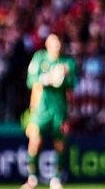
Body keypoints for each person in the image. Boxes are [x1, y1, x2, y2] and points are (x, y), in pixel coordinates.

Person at [22, 34, 77, 189]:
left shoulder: (68, 62)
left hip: (59, 110)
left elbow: (72, 83)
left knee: (59, 143)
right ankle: (32, 178)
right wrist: (46, 78)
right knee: (35, 141)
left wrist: (62, 77)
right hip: (41, 109)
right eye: (53, 43)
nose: (56, 47)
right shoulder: (39, 58)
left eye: (58, 44)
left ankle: (56, 178)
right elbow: (30, 81)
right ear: (47, 45)